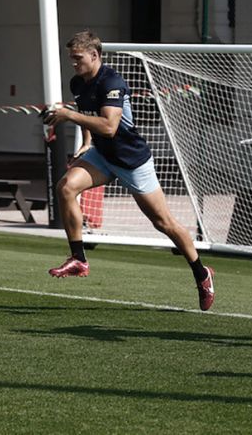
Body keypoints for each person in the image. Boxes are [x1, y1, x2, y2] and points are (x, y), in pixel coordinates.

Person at [41, 30, 215, 311]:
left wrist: (69, 115)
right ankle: (79, 259)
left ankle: (201, 273)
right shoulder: (78, 82)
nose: (73, 63)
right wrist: (86, 143)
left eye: (77, 58)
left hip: (131, 160)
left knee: (164, 223)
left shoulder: (112, 81)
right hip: (102, 156)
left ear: (94, 55)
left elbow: (109, 127)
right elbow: (89, 116)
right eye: (71, 59)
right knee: (66, 187)